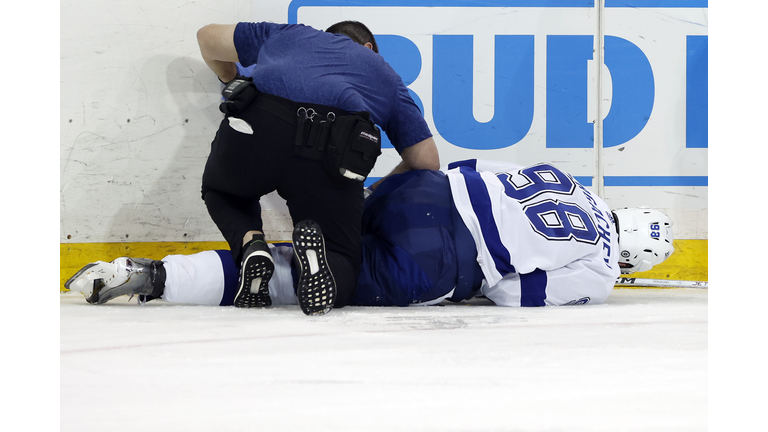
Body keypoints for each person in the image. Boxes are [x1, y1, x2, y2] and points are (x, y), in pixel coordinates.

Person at [65, 160, 676, 309]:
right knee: (320, 275)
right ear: (634, 259)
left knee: (338, 232)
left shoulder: (564, 176)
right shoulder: (600, 270)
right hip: (438, 256)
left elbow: (470, 169)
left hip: (421, 192)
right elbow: (511, 296)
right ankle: (155, 276)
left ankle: (317, 210)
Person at [195, 20, 440, 316]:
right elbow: (426, 162)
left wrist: (229, 75)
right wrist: (371, 191)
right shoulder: (384, 73)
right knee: (343, 260)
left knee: (222, 192)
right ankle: (322, 262)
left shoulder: (290, 34)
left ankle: (251, 244)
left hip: (260, 126)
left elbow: (206, 37)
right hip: (332, 150)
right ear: (368, 48)